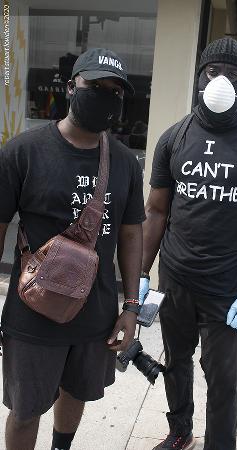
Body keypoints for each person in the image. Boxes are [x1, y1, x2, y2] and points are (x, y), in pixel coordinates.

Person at [139, 37, 237, 450]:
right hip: (176, 277)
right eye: (212, 71)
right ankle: (180, 431)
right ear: (200, 75)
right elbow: (156, 212)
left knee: (224, 378)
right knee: (175, 361)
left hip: (228, 285)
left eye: (234, 74)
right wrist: (140, 273)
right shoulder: (174, 137)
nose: (221, 80)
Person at [0, 48, 145, 450]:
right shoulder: (23, 152)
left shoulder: (125, 163)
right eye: (96, 86)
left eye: (115, 91)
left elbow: (132, 234)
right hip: (33, 312)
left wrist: (130, 307)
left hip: (95, 313)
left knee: (77, 392)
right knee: (27, 409)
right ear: (70, 88)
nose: (106, 96)